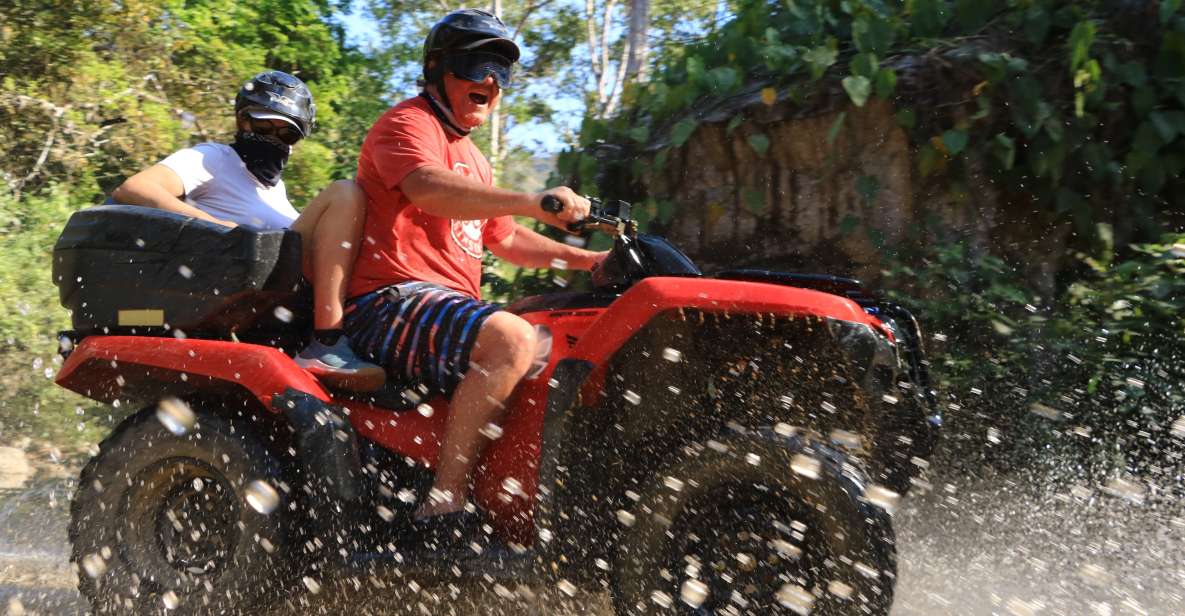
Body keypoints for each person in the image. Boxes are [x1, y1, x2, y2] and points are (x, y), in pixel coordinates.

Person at [343, 8, 606, 546]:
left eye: (502, 71)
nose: (491, 81)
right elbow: (426, 188)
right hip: (389, 303)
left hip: (442, 313)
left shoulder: (477, 161)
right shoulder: (407, 124)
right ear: (438, 69)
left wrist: (592, 262)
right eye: (478, 64)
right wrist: (532, 200)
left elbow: (506, 240)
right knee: (511, 335)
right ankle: (444, 505)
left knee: (555, 341)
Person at [111, 70, 385, 391]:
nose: (273, 139)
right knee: (344, 194)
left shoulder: (278, 196)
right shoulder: (213, 158)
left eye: (287, 134)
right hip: (231, 289)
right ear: (242, 121)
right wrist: (219, 227)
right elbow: (135, 189)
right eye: (262, 126)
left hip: (282, 297)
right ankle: (326, 342)